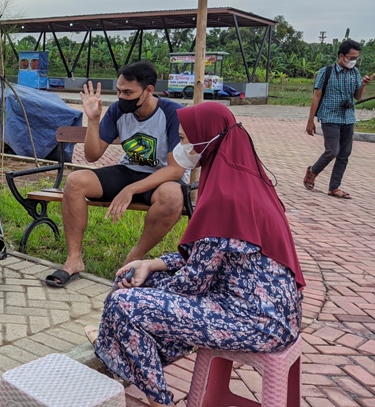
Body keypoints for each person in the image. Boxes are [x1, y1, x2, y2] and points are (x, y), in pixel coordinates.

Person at [89, 101, 304, 407]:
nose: (181, 147)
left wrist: (147, 290)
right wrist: (152, 264)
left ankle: (156, 396)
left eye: (186, 139)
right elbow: (209, 257)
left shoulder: (224, 197)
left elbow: (193, 283)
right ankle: (123, 347)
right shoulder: (247, 181)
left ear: (209, 140)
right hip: (270, 314)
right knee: (140, 283)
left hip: (255, 321)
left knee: (124, 302)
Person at [46, 61, 186, 287]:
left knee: (172, 195)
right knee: (75, 181)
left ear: (149, 90)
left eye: (128, 92)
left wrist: (130, 190)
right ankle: (74, 260)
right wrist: (93, 120)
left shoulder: (173, 113)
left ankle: (134, 257)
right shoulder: (118, 110)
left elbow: (176, 169)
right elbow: (92, 155)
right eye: (119, 91)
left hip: (161, 176)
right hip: (127, 170)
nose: (121, 97)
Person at [304, 39, 370, 199]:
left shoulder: (355, 73)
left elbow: (357, 96)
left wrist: (363, 85)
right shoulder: (325, 72)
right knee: (332, 150)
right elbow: (316, 96)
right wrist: (310, 120)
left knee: (344, 154)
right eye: (351, 57)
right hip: (330, 117)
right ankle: (313, 171)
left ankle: (334, 187)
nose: (353, 61)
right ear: (341, 56)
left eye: (356, 58)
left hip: (348, 118)